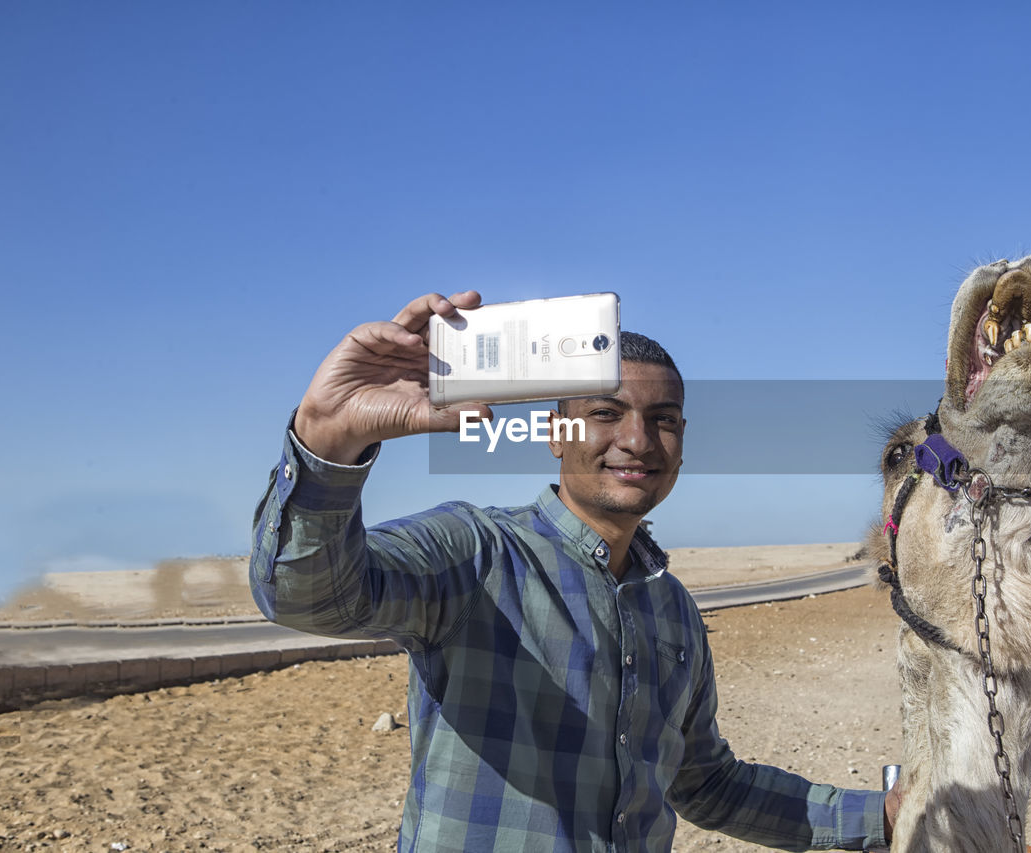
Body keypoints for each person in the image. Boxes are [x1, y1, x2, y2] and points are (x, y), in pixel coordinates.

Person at [250, 291, 898, 851]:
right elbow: (306, 595)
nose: (639, 440)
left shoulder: (671, 611)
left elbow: (707, 783)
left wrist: (884, 814)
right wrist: (326, 438)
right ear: (555, 430)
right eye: (607, 413)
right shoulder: (476, 554)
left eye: (662, 420)